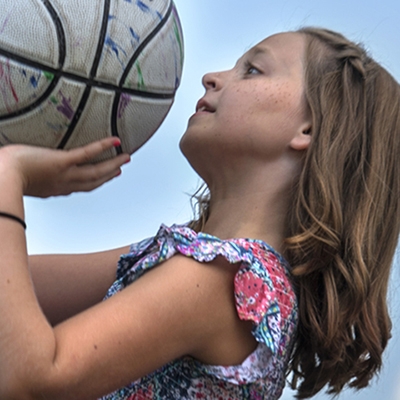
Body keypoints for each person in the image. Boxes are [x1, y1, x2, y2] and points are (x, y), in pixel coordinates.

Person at [0, 27, 399, 400]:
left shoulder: (225, 282)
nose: (212, 76)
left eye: (253, 69)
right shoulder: (199, 264)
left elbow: (30, 377)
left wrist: (8, 175)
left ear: (309, 129)